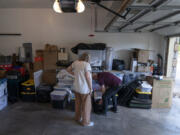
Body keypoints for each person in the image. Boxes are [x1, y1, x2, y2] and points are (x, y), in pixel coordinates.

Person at [67, 53, 94, 127]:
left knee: (78, 104)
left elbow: (68, 69)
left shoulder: (75, 62)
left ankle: (77, 118)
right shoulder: (87, 64)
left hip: (76, 87)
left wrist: (75, 74)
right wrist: (91, 88)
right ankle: (86, 122)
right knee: (86, 106)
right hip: (85, 89)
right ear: (88, 58)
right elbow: (88, 77)